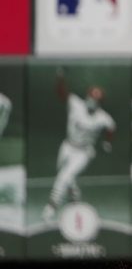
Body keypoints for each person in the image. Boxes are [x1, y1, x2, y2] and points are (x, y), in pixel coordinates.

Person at [42, 69, 116, 223]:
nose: (92, 101)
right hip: (67, 146)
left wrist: (107, 141)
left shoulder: (103, 117)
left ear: (101, 102)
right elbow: (61, 93)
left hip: (83, 152)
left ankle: (51, 208)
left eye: (97, 99)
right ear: (87, 95)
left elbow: (111, 128)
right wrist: (60, 78)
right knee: (66, 177)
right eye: (91, 96)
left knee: (64, 177)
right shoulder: (76, 103)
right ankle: (75, 200)